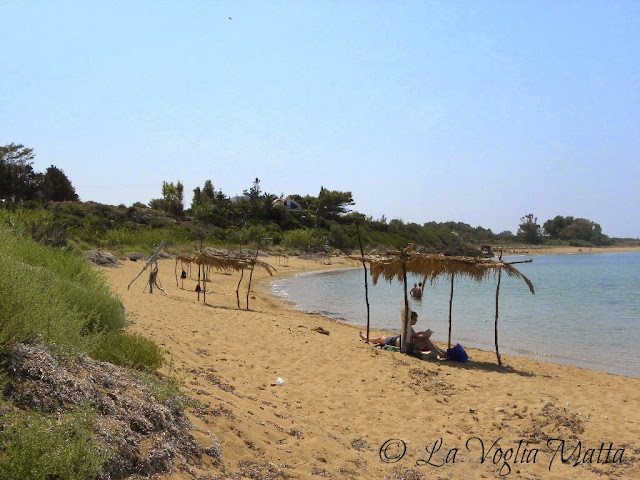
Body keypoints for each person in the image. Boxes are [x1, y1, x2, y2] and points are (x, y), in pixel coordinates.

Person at [359, 311, 447, 358]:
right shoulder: (406, 327)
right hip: (396, 341)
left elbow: (414, 336)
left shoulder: (410, 327)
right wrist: (421, 338)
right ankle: (366, 338)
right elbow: (411, 339)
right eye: (415, 319)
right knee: (380, 338)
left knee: (427, 340)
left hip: (404, 342)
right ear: (411, 319)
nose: (416, 321)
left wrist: (422, 334)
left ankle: (442, 353)